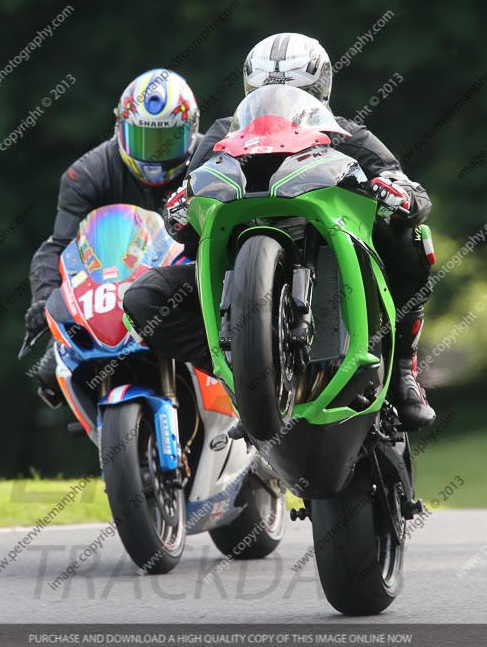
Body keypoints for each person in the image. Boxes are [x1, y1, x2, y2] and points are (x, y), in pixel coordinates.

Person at [123, 35, 436, 431]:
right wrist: (181, 207)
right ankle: (244, 378)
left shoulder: (346, 134)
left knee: (412, 238)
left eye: (293, 92)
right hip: (240, 264)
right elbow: (185, 226)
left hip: (330, 248)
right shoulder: (220, 138)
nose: (279, 102)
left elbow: (410, 191)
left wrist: (396, 191)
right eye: (266, 92)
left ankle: (405, 372)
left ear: (318, 91)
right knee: (142, 299)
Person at [24, 68, 201, 406]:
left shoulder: (206, 164)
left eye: (167, 142)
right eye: (143, 140)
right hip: (110, 292)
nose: (154, 155)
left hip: (186, 281)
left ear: (190, 132)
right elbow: (59, 248)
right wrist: (44, 300)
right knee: (50, 374)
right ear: (120, 129)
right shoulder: (86, 174)